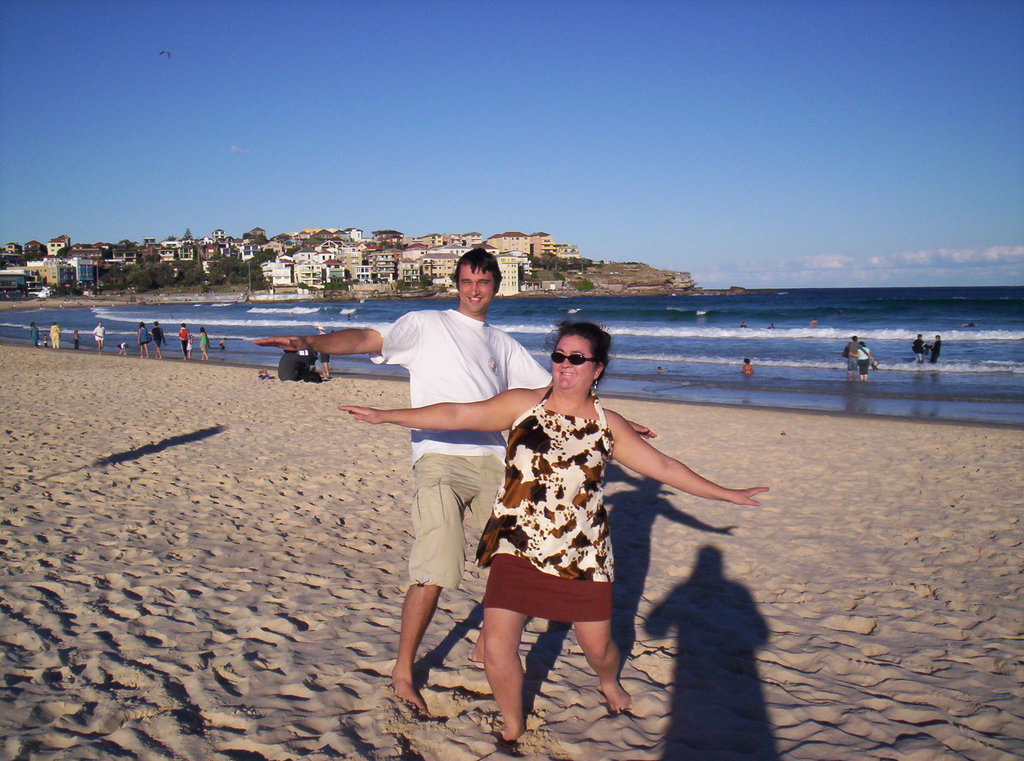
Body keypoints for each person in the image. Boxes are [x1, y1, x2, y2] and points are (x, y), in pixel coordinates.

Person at [255, 248, 653, 714]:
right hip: (439, 457)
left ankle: (491, 635)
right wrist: (309, 343)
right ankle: (404, 670)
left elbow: (560, 387)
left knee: (517, 556)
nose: (474, 289)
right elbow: (366, 337)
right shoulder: (425, 324)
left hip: (495, 463)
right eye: (467, 281)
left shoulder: (501, 344)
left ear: (495, 286)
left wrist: (613, 423)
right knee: (436, 566)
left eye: (483, 282)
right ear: (457, 284)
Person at [340, 321, 767, 745]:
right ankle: (512, 722)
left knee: (598, 649)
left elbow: (665, 468)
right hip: (517, 543)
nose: (565, 365)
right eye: (559, 356)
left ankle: (608, 680)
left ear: (596, 368)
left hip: (581, 555)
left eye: (576, 359)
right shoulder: (524, 405)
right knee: (498, 646)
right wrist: (386, 416)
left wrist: (726, 495)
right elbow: (457, 413)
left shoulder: (607, 424)